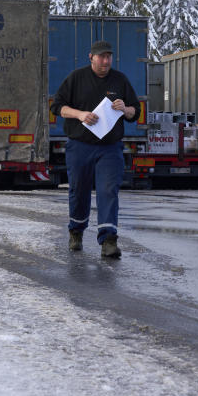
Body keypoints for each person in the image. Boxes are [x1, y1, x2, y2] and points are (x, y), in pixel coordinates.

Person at [50, 40, 140, 257]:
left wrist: (125, 108)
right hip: (80, 146)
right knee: (79, 190)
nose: (106, 61)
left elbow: (135, 112)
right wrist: (80, 114)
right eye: (101, 57)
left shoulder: (120, 80)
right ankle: (76, 232)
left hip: (109, 148)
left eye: (109, 56)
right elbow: (56, 107)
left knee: (108, 190)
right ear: (91, 57)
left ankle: (109, 240)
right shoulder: (76, 78)